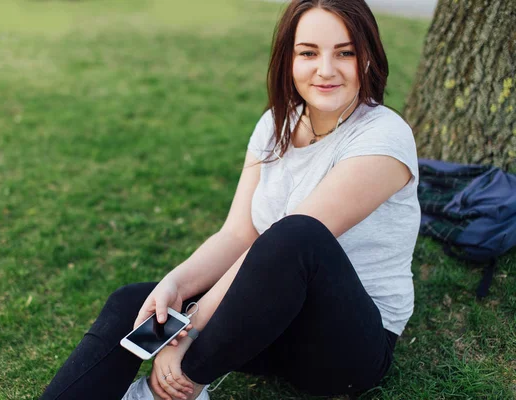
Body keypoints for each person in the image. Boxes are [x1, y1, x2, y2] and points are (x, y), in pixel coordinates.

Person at [41, 0, 420, 399]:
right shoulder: (277, 122)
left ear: (369, 57)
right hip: (266, 324)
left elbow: (288, 244)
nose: (326, 69)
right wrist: (176, 284)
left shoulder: (384, 137)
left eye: (345, 52)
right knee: (134, 304)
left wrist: (193, 325)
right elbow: (239, 233)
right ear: (287, 59)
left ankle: (171, 389)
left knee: (296, 235)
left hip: (342, 346)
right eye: (308, 52)